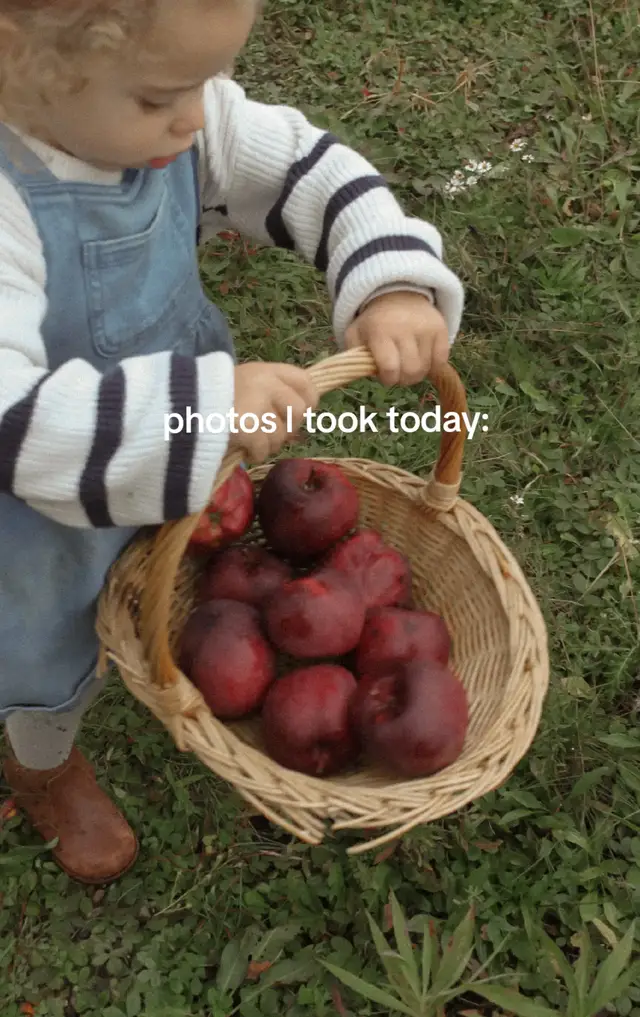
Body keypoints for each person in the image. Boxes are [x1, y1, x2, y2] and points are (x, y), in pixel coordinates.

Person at [0, 0, 464, 884]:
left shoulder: (176, 113)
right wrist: (204, 413)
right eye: (160, 95)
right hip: (38, 517)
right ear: (19, 65)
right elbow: (10, 420)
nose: (197, 112)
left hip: (186, 462)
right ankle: (42, 758)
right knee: (50, 653)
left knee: (179, 591)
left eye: (208, 79)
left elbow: (300, 165)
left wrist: (391, 279)